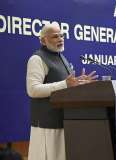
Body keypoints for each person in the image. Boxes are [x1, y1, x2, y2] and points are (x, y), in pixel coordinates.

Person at [26, 23, 98, 160]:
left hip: (65, 120)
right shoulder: (37, 59)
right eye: (55, 36)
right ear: (43, 40)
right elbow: (33, 90)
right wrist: (65, 83)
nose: (60, 39)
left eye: (62, 36)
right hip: (47, 125)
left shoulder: (62, 58)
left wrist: (81, 84)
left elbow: (67, 88)